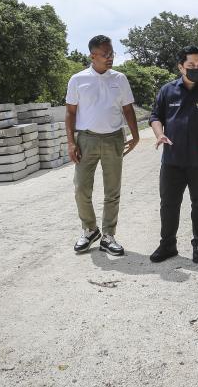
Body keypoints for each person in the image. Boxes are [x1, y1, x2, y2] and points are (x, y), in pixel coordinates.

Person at [148, 45, 198, 264]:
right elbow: (156, 116)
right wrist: (159, 134)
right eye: (191, 65)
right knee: (169, 203)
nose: (196, 68)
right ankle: (167, 244)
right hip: (172, 160)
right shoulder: (167, 90)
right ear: (180, 67)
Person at [65, 35, 139, 256]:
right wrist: (71, 142)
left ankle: (108, 235)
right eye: (105, 54)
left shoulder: (120, 78)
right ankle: (90, 229)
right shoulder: (78, 80)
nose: (110, 58)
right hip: (86, 139)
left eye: (112, 53)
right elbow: (70, 113)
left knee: (112, 190)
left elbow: (128, 109)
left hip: (113, 138)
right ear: (92, 55)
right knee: (81, 188)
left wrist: (135, 136)